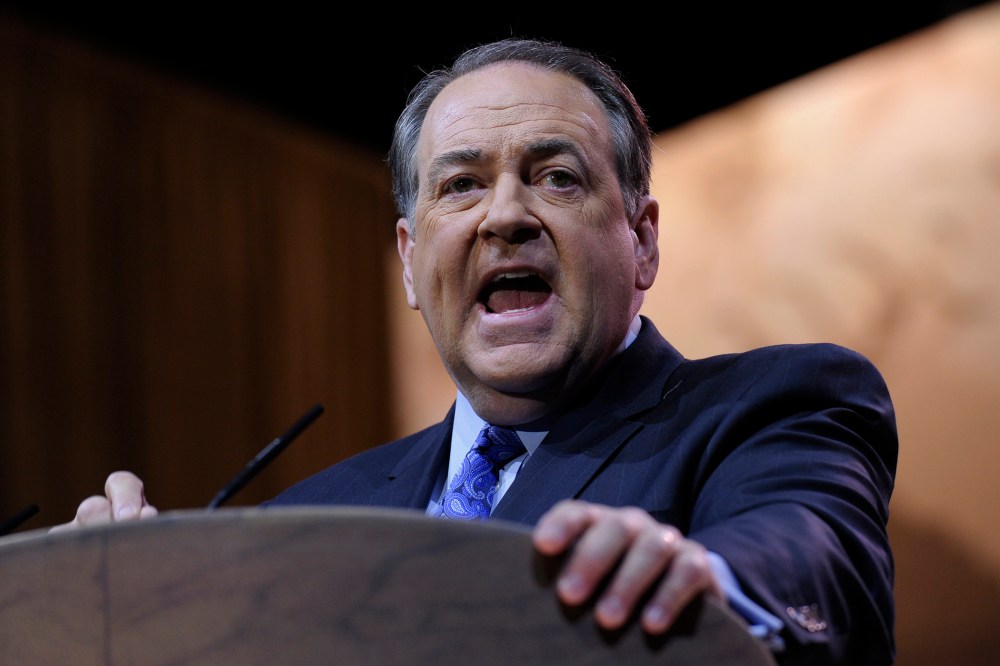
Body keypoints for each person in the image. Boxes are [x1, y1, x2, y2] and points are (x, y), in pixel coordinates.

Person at [51, 38, 897, 665]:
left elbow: (811, 550)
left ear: (641, 240)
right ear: (410, 262)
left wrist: (706, 582)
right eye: (460, 185)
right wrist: (137, 622)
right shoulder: (307, 520)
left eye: (557, 176)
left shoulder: (774, 406)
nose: (504, 216)